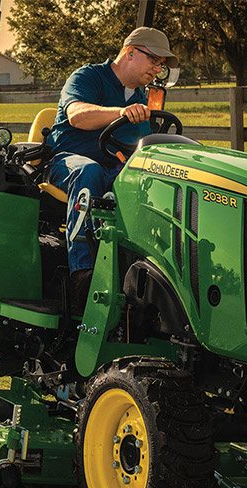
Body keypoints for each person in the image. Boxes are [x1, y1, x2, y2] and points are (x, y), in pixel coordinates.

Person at [46, 27, 178, 313]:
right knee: (89, 171)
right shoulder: (88, 77)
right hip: (69, 161)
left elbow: (140, 148)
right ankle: (82, 274)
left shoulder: (141, 98)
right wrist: (119, 112)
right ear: (131, 53)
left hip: (113, 166)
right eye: (154, 60)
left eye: (161, 65)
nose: (157, 70)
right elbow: (77, 115)